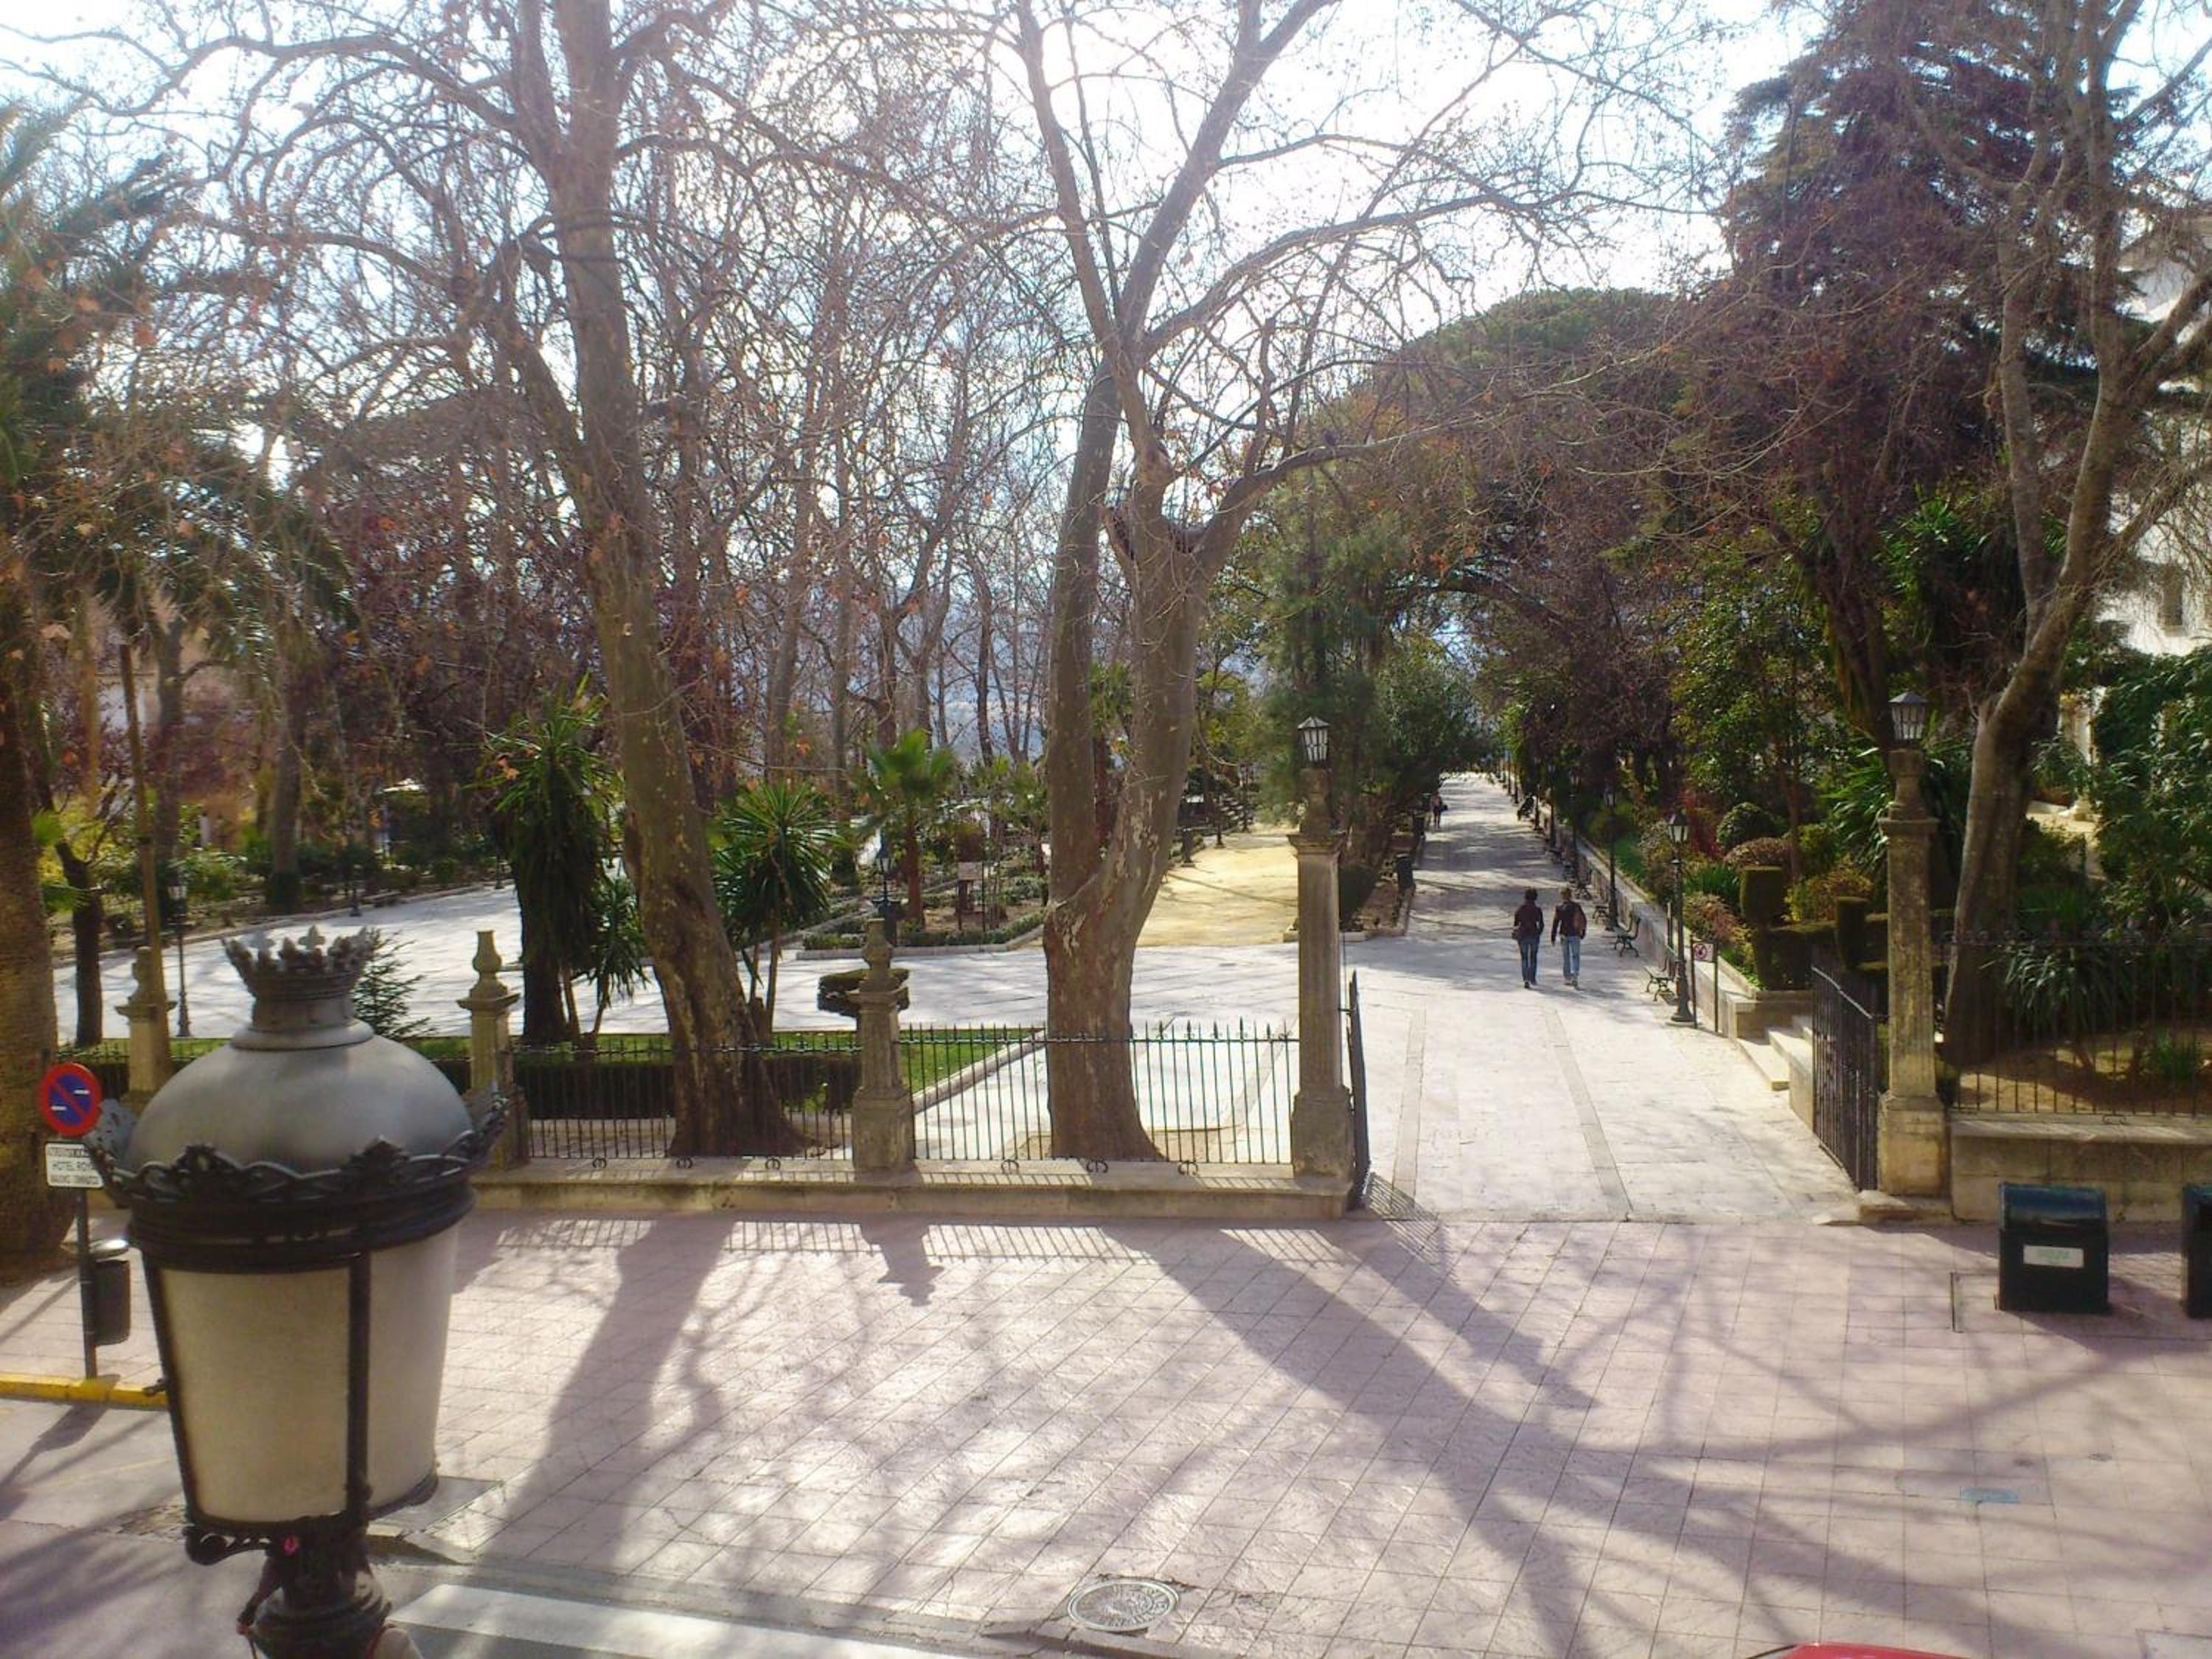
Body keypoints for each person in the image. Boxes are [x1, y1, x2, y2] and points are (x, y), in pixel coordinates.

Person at [1551, 886, 1587, 987]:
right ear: (1570, 895)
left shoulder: (1559, 908)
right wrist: (1583, 932)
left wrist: (1553, 936)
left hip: (1564, 934)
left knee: (1566, 957)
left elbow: (1556, 923)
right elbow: (1583, 919)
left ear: (1562, 896)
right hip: (1575, 934)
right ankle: (1575, 976)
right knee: (1575, 956)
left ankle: (1567, 978)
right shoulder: (1576, 906)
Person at [1512, 887, 1545, 987]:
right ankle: (1532, 978)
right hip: (1534, 934)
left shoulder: (1520, 909)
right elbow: (1541, 924)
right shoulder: (1537, 910)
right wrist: (1539, 933)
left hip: (1523, 935)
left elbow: (1516, 923)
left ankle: (1526, 978)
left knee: (1524, 957)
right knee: (1533, 957)